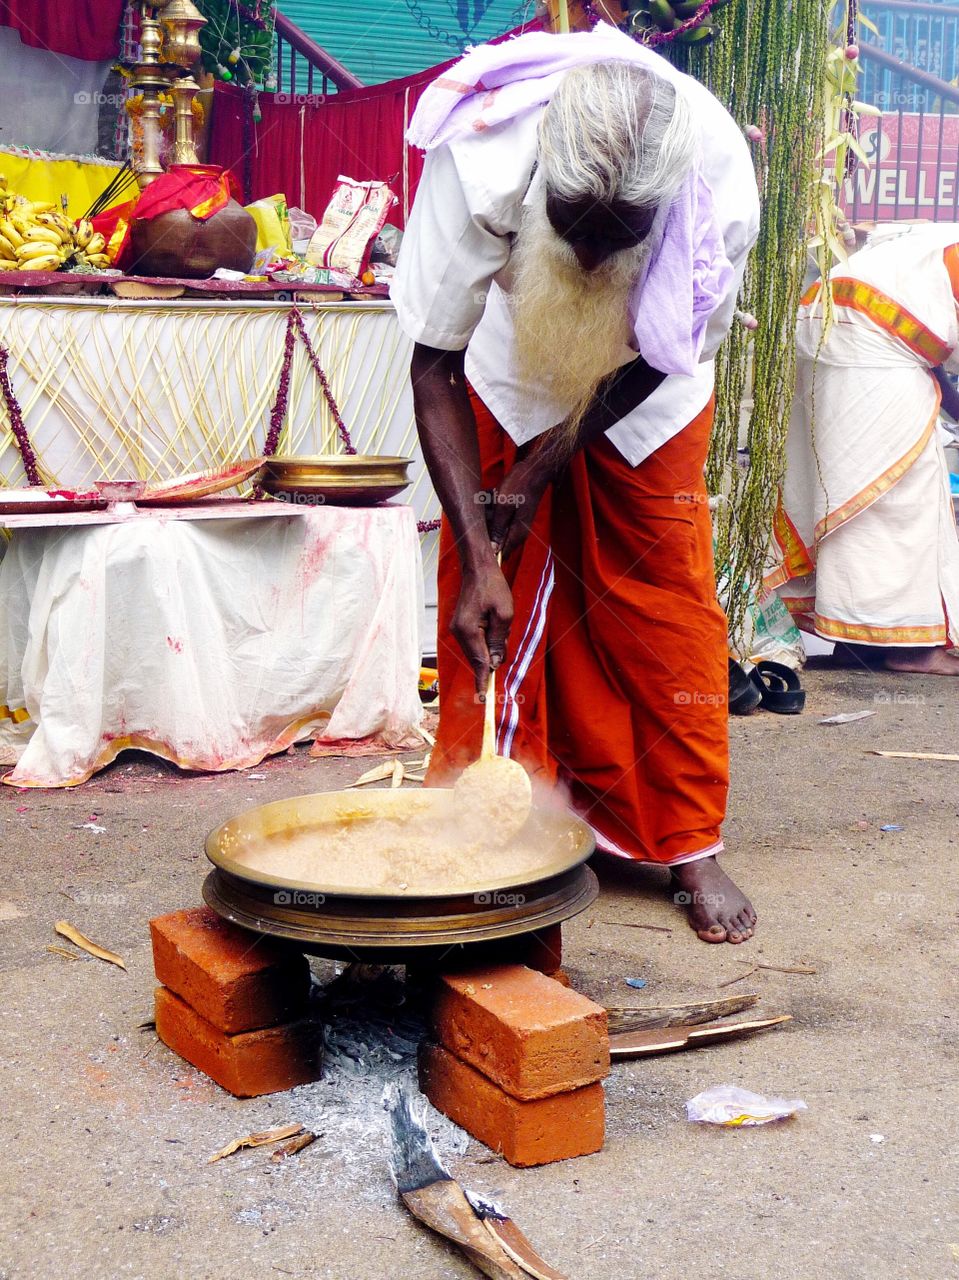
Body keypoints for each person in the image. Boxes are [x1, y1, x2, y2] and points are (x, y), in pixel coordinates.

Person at [392, 23, 761, 943]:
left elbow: (663, 354)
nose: (595, 259)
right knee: (486, 597)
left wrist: (542, 466)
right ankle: (500, 821)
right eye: (576, 229)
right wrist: (479, 547)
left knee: (662, 602)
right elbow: (430, 361)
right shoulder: (482, 157)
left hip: (646, 391)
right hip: (503, 361)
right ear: (543, 184)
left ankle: (684, 839)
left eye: (621, 236)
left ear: (661, 211)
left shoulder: (714, 184)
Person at [767, 222, 959, 674]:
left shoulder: (933, 243)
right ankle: (908, 648)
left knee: (852, 484)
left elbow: (933, 363)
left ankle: (858, 638)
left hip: (832, 323)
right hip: (866, 339)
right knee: (901, 492)